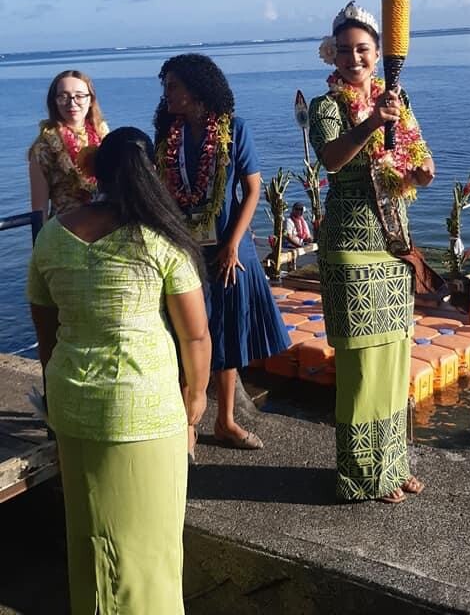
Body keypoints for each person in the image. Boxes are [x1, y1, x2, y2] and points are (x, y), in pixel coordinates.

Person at [26, 127, 211, 613]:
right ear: (153, 174)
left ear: (96, 172)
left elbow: (47, 329)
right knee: (147, 548)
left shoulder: (52, 236)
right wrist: (195, 403)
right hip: (143, 410)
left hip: (71, 402)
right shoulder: (160, 239)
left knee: (90, 538)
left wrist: (57, 390)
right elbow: (195, 334)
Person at [309, 0, 435, 505]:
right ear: (332, 57)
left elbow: (416, 159)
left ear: (379, 53)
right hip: (350, 245)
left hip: (392, 243)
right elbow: (333, 161)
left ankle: (394, 465)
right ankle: (361, 477)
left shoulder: (396, 99)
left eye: (362, 50)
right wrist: (369, 123)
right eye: (344, 51)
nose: (353, 59)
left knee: (394, 361)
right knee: (362, 370)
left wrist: (420, 174)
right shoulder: (327, 108)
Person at [154, 53, 289, 450]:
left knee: (227, 335)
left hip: (229, 249)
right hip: (184, 250)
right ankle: (186, 423)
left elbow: (252, 190)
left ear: (196, 88)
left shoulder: (234, 130)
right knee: (185, 335)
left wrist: (232, 244)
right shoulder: (168, 136)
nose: (167, 94)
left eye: (173, 86)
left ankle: (225, 421)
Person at [28, 70, 109, 220]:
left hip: (104, 227)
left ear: (90, 100)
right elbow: (40, 212)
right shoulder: (43, 149)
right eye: (63, 96)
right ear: (54, 102)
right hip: (66, 232)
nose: (72, 103)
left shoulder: (105, 138)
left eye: (79, 96)